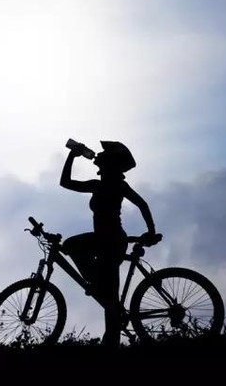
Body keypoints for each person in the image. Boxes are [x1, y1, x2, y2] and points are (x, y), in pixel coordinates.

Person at [59, 140, 157, 348]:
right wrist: (72, 155)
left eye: (103, 156)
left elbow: (142, 204)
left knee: (109, 297)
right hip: (105, 240)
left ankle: (110, 339)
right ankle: (96, 287)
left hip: (111, 241)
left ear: (110, 163)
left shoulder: (116, 185)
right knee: (106, 294)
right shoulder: (99, 185)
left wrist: (151, 231)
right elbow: (65, 183)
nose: (98, 158)